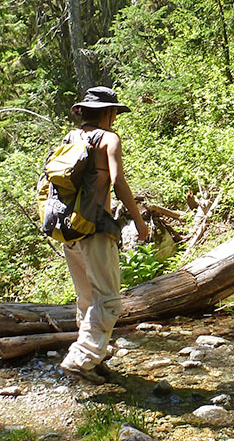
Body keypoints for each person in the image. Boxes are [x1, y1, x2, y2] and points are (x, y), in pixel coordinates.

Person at [58, 86, 149, 384]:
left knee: (86, 298)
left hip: (69, 230)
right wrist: (138, 221)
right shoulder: (109, 139)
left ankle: (94, 360)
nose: (115, 119)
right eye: (114, 113)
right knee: (108, 301)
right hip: (96, 228)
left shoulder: (71, 138)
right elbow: (118, 182)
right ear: (107, 113)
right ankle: (81, 359)